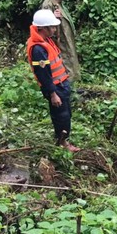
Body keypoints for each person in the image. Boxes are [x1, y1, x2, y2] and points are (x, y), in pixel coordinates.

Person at [27, 10, 80, 152]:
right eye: (52, 27)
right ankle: (62, 143)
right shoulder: (38, 49)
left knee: (66, 113)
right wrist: (52, 94)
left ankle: (64, 140)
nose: (54, 29)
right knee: (61, 116)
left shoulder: (45, 39)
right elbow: (43, 74)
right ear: (42, 28)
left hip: (61, 84)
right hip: (56, 88)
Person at [41, 0, 80, 81]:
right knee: (64, 68)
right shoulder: (48, 4)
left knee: (70, 66)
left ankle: (72, 88)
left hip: (65, 41)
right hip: (58, 43)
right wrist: (53, 18)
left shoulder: (58, 3)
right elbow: (44, 26)